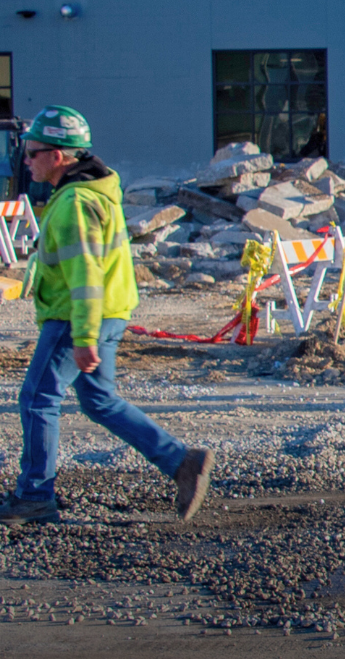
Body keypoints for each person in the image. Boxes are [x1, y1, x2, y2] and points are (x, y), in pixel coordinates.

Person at [0, 107, 213, 526]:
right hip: (106, 313)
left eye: (33, 153)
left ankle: (33, 495)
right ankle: (181, 462)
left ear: (59, 155)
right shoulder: (94, 191)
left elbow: (85, 273)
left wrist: (83, 335)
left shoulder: (76, 202)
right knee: (99, 401)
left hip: (76, 317)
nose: (25, 160)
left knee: (37, 398)